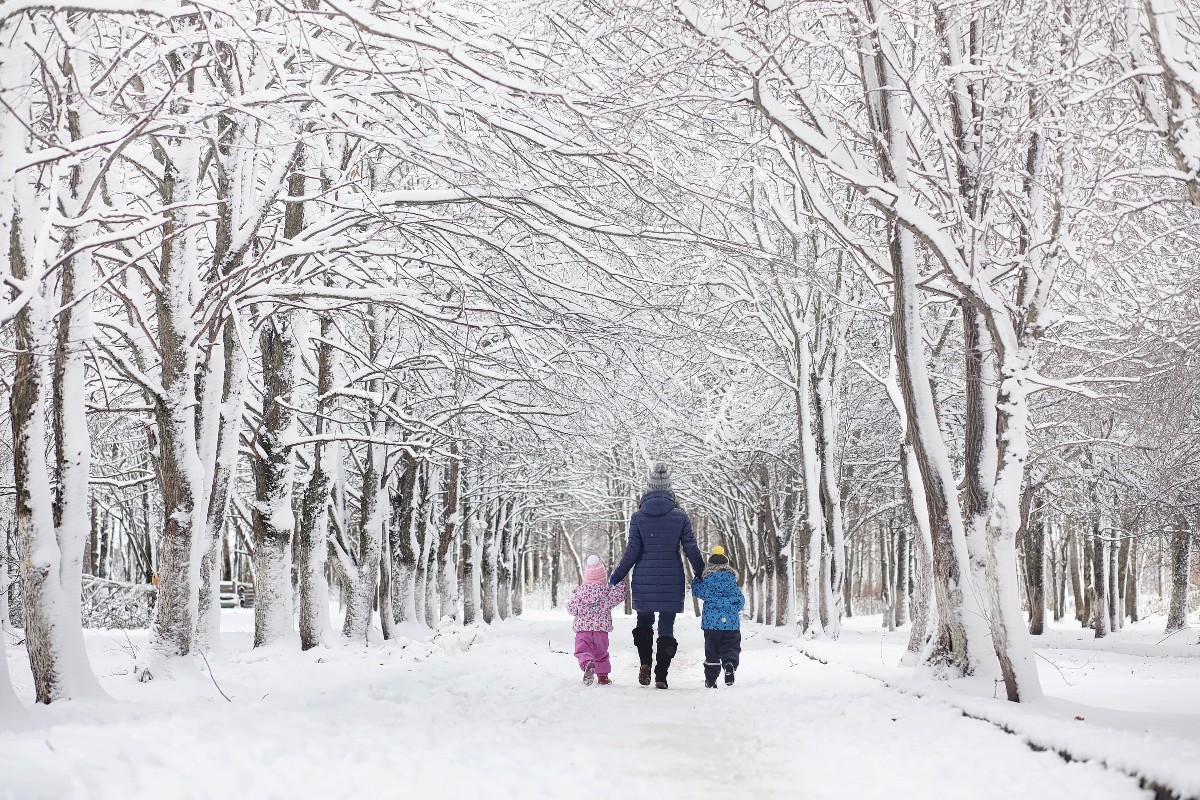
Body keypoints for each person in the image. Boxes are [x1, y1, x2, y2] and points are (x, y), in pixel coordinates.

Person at [609, 462, 705, 689]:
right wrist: (702, 573)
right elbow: (691, 547)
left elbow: (632, 551)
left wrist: (617, 576)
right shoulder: (680, 516)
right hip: (672, 578)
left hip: (644, 579)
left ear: (649, 489)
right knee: (666, 626)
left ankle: (644, 664)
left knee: (644, 621)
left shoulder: (638, 517)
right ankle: (661, 675)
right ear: (670, 490)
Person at [567, 555, 626, 686]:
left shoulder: (579, 593)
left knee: (583, 651)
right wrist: (621, 583)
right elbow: (619, 596)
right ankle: (603, 677)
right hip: (601, 631)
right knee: (601, 654)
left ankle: (588, 663)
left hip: (583, 631)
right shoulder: (606, 593)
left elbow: (571, 608)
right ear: (602, 577)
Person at [691, 546, 744, 688]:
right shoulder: (732, 582)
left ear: (710, 565)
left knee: (712, 651)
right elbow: (740, 601)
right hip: (731, 624)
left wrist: (697, 579)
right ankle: (729, 664)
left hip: (711, 624)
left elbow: (696, 590)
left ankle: (711, 680)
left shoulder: (707, 582)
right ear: (727, 565)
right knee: (731, 647)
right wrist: (731, 610)